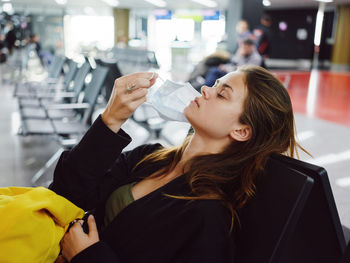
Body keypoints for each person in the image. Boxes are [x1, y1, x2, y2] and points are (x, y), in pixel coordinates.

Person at [50, 66, 306, 263]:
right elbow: (66, 191)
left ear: (241, 131)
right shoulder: (150, 157)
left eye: (222, 94)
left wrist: (88, 256)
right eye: (214, 84)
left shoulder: (209, 217)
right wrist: (111, 119)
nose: (205, 90)